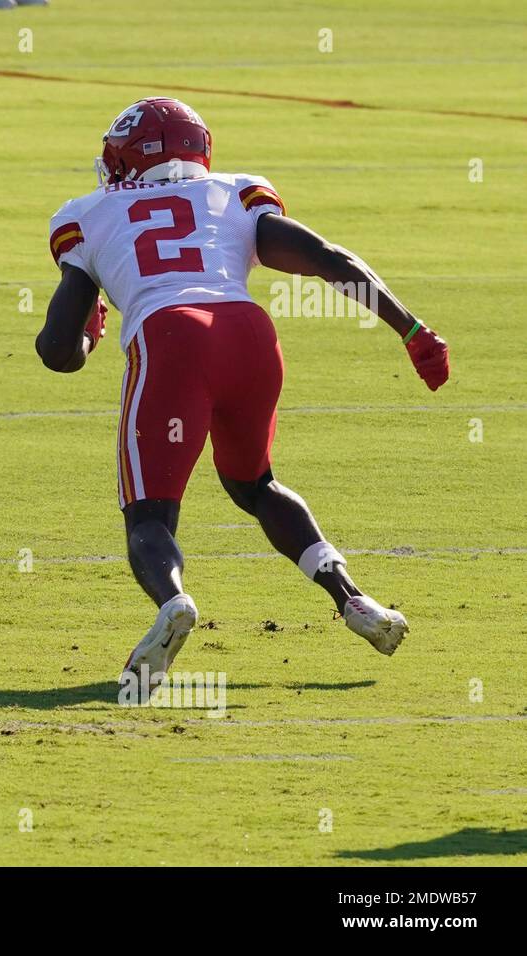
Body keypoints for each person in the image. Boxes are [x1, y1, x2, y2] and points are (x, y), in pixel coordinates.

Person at [35, 97, 451, 696]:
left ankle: (173, 602)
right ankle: (354, 601)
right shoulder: (234, 193)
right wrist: (412, 331)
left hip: (170, 335)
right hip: (250, 336)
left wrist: (89, 332)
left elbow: (55, 351)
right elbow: (326, 259)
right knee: (255, 485)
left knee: (150, 514)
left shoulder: (88, 216)